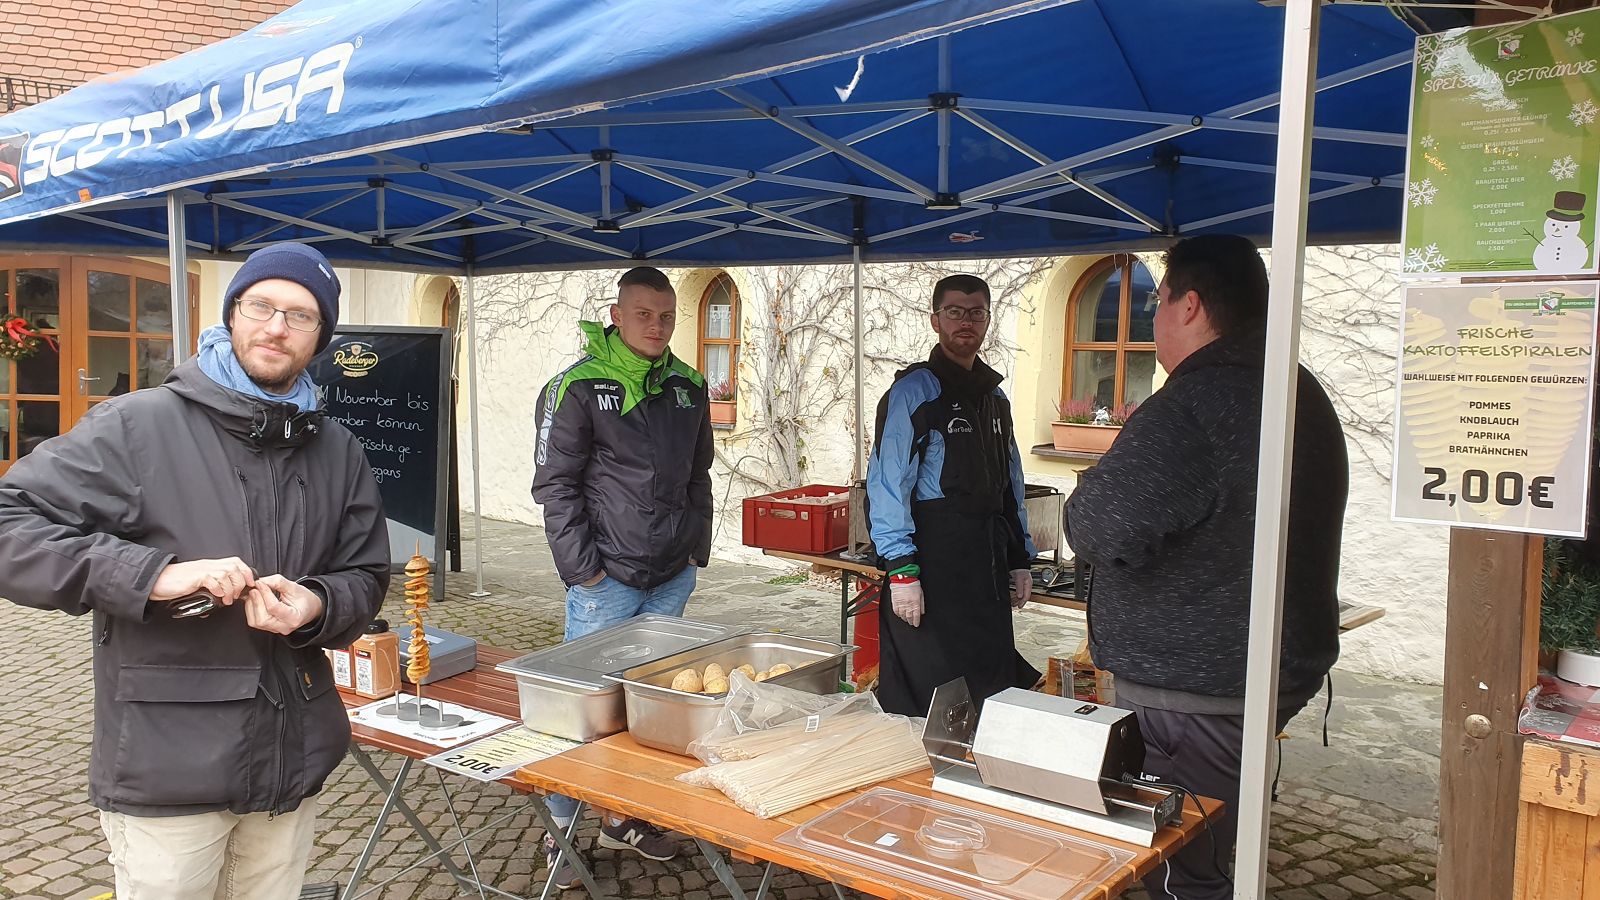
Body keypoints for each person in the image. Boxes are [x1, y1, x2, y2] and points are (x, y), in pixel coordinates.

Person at [0, 242, 391, 900]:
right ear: (232, 314)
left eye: (301, 316)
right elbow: (11, 525)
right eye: (261, 306)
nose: (276, 327)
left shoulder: (337, 449)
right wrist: (150, 575)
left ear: (321, 336)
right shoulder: (137, 426)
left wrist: (316, 605)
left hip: (290, 761)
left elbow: (366, 575)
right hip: (168, 765)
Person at [1064, 234, 1348, 900]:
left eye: (1156, 303)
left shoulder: (1198, 402)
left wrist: (1095, 490)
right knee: (1214, 854)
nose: (1152, 321)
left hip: (1197, 689)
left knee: (1183, 871)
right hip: (1264, 669)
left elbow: (1097, 525)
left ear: (1189, 305)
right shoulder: (1295, 387)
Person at [531, 265, 712, 885]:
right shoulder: (578, 387)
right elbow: (555, 487)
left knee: (649, 704)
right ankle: (559, 831)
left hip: (670, 575)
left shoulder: (689, 385)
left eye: (666, 316)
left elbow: (698, 474)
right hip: (605, 580)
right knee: (583, 709)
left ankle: (620, 816)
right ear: (616, 315)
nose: (657, 326)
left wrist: (695, 552)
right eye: (644, 315)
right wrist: (584, 573)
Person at [865, 273, 1040, 718]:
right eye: (955, 312)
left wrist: (1019, 557)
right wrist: (902, 571)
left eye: (976, 313)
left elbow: (1010, 483)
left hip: (985, 570)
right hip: (930, 571)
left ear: (987, 320)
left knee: (990, 695)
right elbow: (888, 484)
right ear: (935, 320)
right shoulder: (914, 393)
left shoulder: (995, 398)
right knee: (931, 703)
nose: (966, 322)